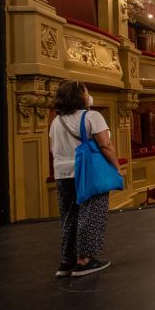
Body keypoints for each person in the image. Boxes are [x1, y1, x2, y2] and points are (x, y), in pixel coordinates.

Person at [49, 80, 119, 277]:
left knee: (69, 216)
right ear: (79, 96)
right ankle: (84, 260)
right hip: (87, 172)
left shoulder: (56, 121)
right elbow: (106, 145)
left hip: (62, 174)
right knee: (91, 214)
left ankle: (66, 261)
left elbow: (53, 149)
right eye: (86, 92)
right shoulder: (92, 116)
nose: (89, 95)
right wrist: (116, 167)